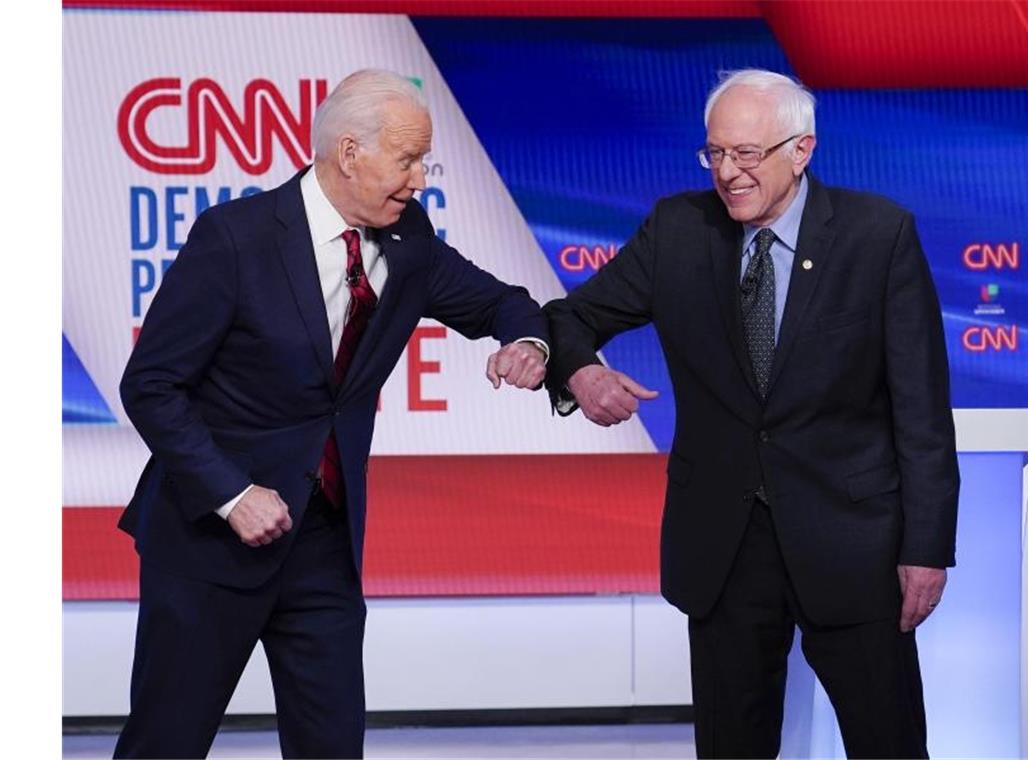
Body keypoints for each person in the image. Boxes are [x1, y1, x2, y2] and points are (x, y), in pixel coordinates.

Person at [114, 69, 549, 759]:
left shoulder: (409, 242)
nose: (419, 179)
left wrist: (525, 343)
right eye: (407, 160)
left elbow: (502, 301)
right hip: (209, 540)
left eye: (424, 162)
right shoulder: (236, 239)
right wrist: (231, 494)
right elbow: (151, 386)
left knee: (333, 747)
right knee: (166, 743)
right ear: (349, 153)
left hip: (322, 544)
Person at [543, 69, 959, 759]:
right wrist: (582, 371)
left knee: (887, 742)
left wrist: (926, 548)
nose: (728, 174)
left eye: (747, 155)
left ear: (802, 151)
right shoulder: (678, 229)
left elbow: (922, 408)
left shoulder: (876, 236)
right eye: (715, 155)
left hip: (852, 542)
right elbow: (570, 316)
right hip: (725, 547)